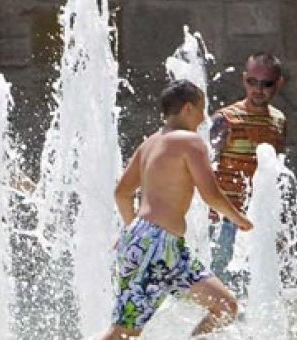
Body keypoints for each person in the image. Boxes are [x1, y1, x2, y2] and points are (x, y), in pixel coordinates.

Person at [103, 80, 254, 339]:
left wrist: (133, 232)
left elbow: (122, 193)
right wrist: (239, 218)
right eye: (201, 110)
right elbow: (211, 195)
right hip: (155, 244)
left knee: (225, 306)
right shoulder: (189, 142)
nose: (204, 118)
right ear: (187, 109)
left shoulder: (149, 143)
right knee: (123, 333)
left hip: (170, 249)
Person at [209, 52, 286, 284]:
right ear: (244, 79)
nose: (257, 89)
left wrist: (278, 222)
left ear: (279, 84)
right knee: (221, 288)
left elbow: (278, 173)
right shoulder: (226, 119)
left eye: (266, 84)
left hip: (257, 220)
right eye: (252, 81)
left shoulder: (279, 120)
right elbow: (204, 166)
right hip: (224, 220)